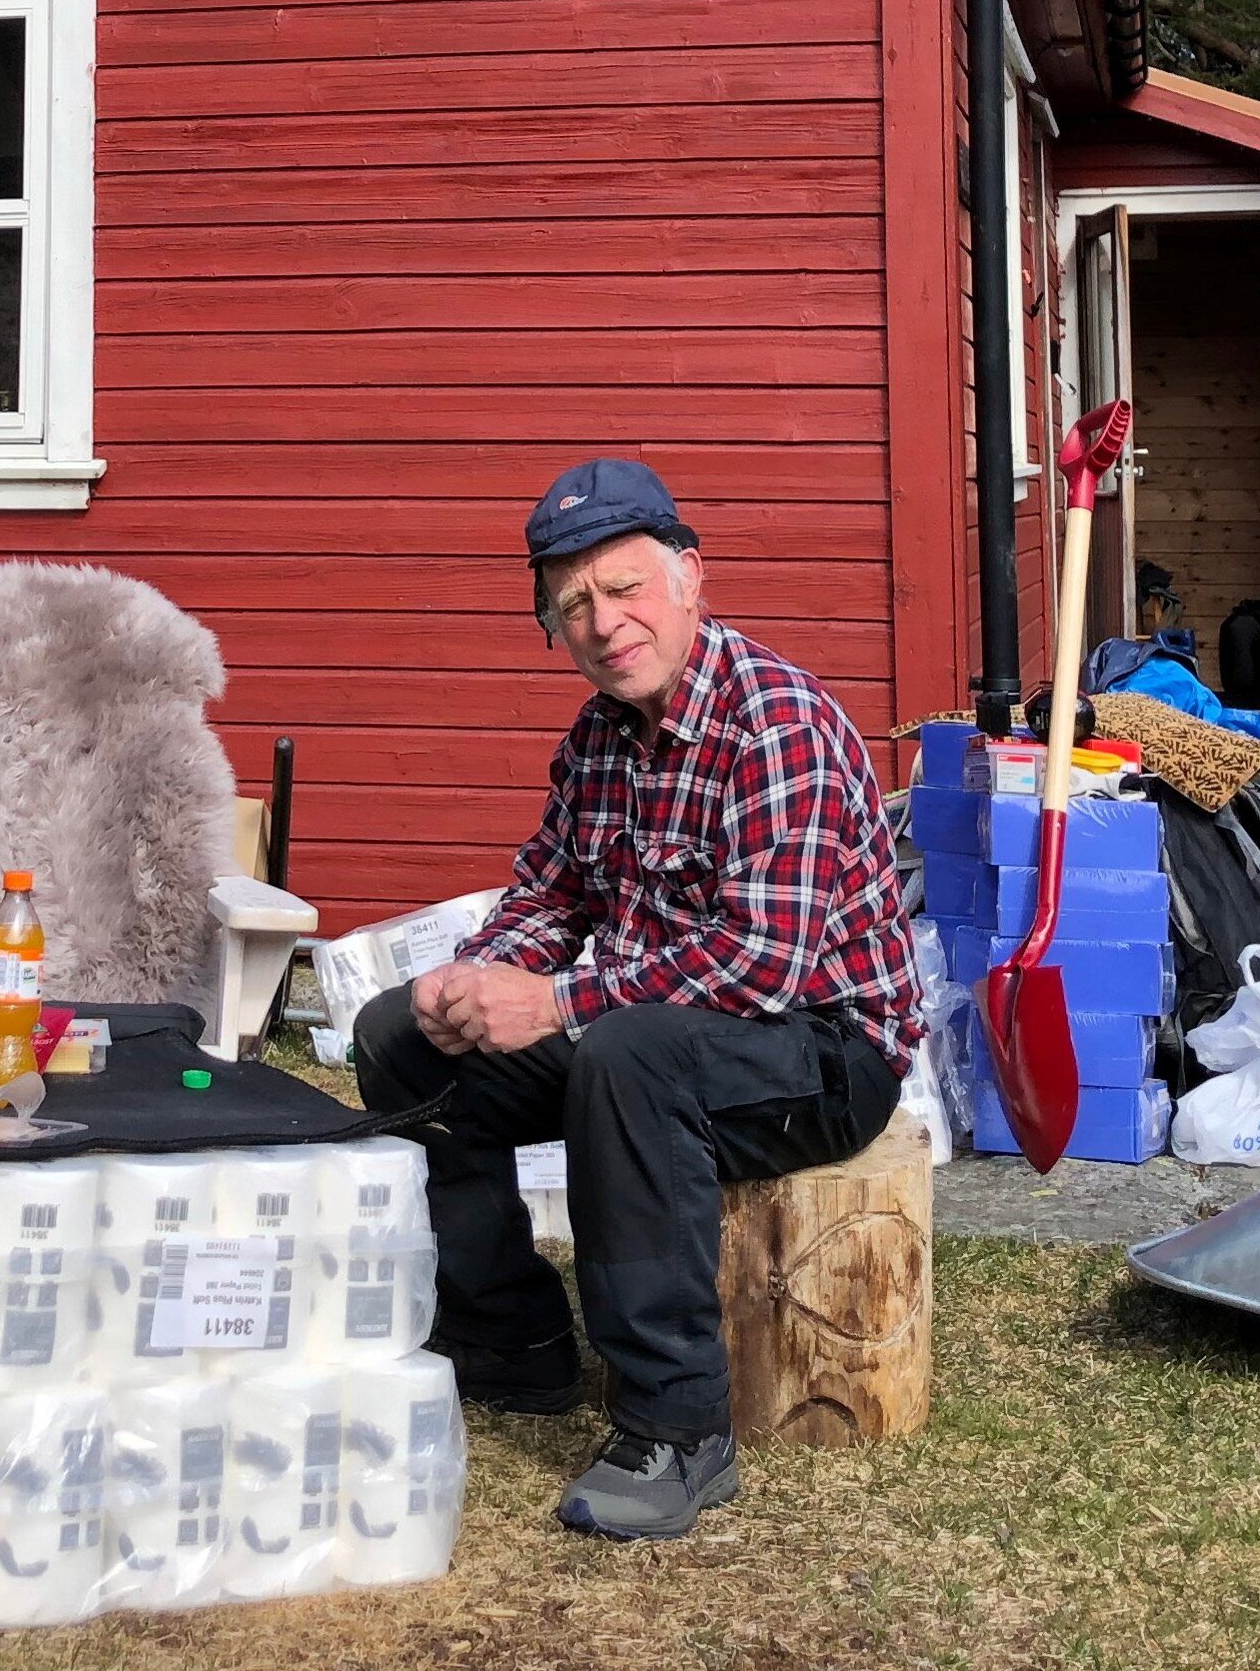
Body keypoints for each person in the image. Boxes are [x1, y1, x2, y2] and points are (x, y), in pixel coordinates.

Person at [352, 458, 919, 1543]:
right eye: (574, 606)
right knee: (401, 1042)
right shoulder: (597, 742)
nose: (605, 623)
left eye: (624, 587)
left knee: (628, 1054)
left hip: (824, 1049)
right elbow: (547, 896)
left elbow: (764, 960)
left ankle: (679, 1427)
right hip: (655, 1023)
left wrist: (557, 1003)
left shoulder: (777, 724)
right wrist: (474, 979)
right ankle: (509, 1341)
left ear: (690, 578)